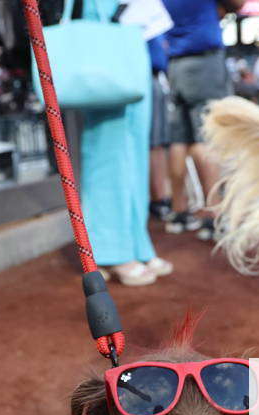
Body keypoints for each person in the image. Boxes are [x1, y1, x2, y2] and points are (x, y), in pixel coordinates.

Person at [81, 0, 172, 286]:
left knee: (133, 155)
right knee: (109, 151)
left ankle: (133, 243)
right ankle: (108, 249)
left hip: (132, 43)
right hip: (108, 37)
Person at [162, 0, 245, 240]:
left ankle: (179, 211)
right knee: (205, 138)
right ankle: (213, 216)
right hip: (204, 63)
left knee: (179, 140)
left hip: (175, 64)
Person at [148, 35, 174, 223]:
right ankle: (158, 198)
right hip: (145, 75)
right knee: (155, 143)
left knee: (158, 143)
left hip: (154, 75)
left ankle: (160, 197)